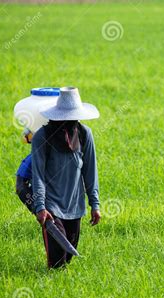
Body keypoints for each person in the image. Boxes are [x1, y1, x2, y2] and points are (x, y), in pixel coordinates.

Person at [31, 86, 101, 269]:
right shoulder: (42, 137)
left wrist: (95, 204)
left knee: (68, 258)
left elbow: (90, 172)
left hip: (75, 207)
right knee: (57, 261)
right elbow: (37, 174)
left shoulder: (85, 135)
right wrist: (40, 206)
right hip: (51, 207)